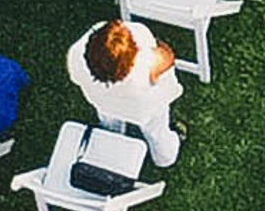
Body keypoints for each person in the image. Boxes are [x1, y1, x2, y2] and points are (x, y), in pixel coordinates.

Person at [68, 17, 186, 164]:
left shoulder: (76, 55)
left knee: (109, 121)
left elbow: (76, 79)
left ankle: (114, 138)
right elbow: (167, 57)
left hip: (103, 103)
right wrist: (161, 44)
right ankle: (164, 158)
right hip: (144, 110)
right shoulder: (145, 61)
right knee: (157, 131)